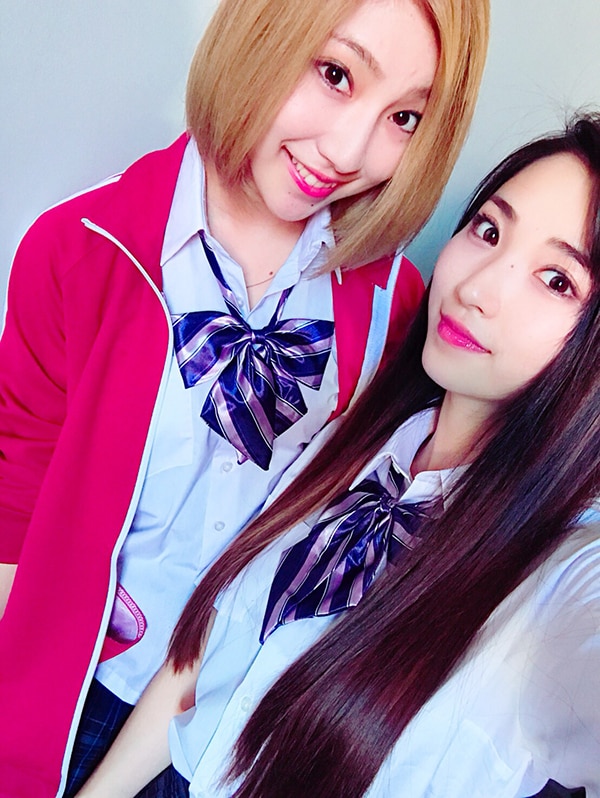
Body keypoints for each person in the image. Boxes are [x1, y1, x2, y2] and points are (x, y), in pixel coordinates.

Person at [0, 0, 489, 795]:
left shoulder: (396, 309)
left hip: (230, 727)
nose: (348, 151)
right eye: (335, 74)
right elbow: (15, 501)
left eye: (404, 117)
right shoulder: (79, 249)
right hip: (67, 691)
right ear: (261, 31)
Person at [77, 113, 600, 798]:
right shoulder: (361, 438)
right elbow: (202, 658)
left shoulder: (563, 579)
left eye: (557, 280)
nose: (477, 289)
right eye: (489, 231)